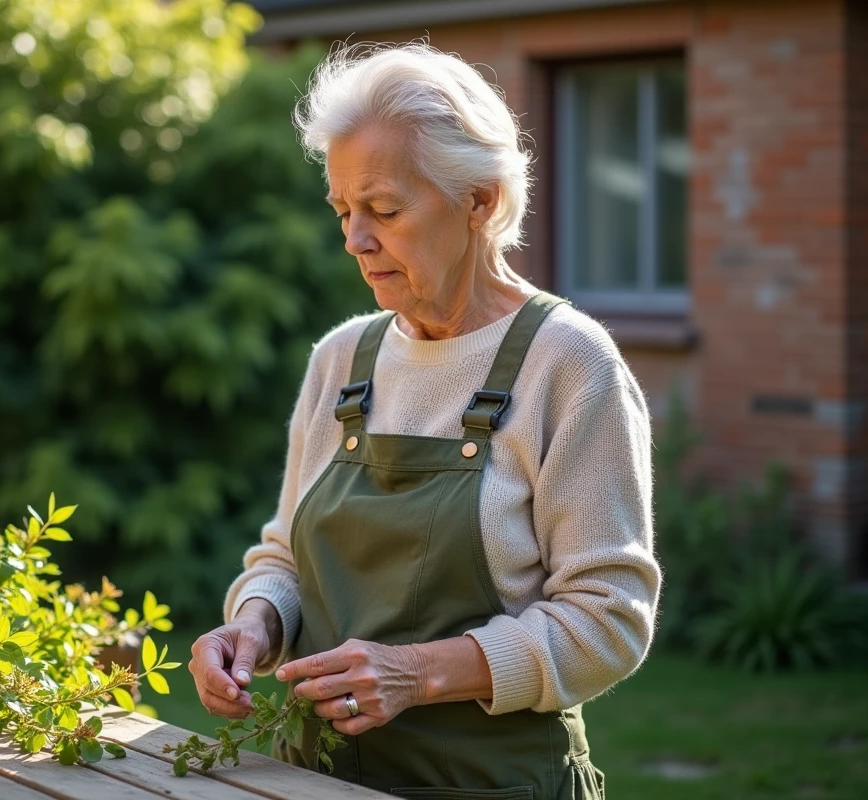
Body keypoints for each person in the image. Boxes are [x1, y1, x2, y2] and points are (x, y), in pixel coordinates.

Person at [188, 42, 660, 799]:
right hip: (313, 778)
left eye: (384, 209)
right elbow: (284, 559)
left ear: (478, 199)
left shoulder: (570, 364)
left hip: (494, 781)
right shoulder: (343, 359)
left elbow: (610, 621)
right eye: (343, 210)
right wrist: (255, 628)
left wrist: (415, 675)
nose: (354, 239)